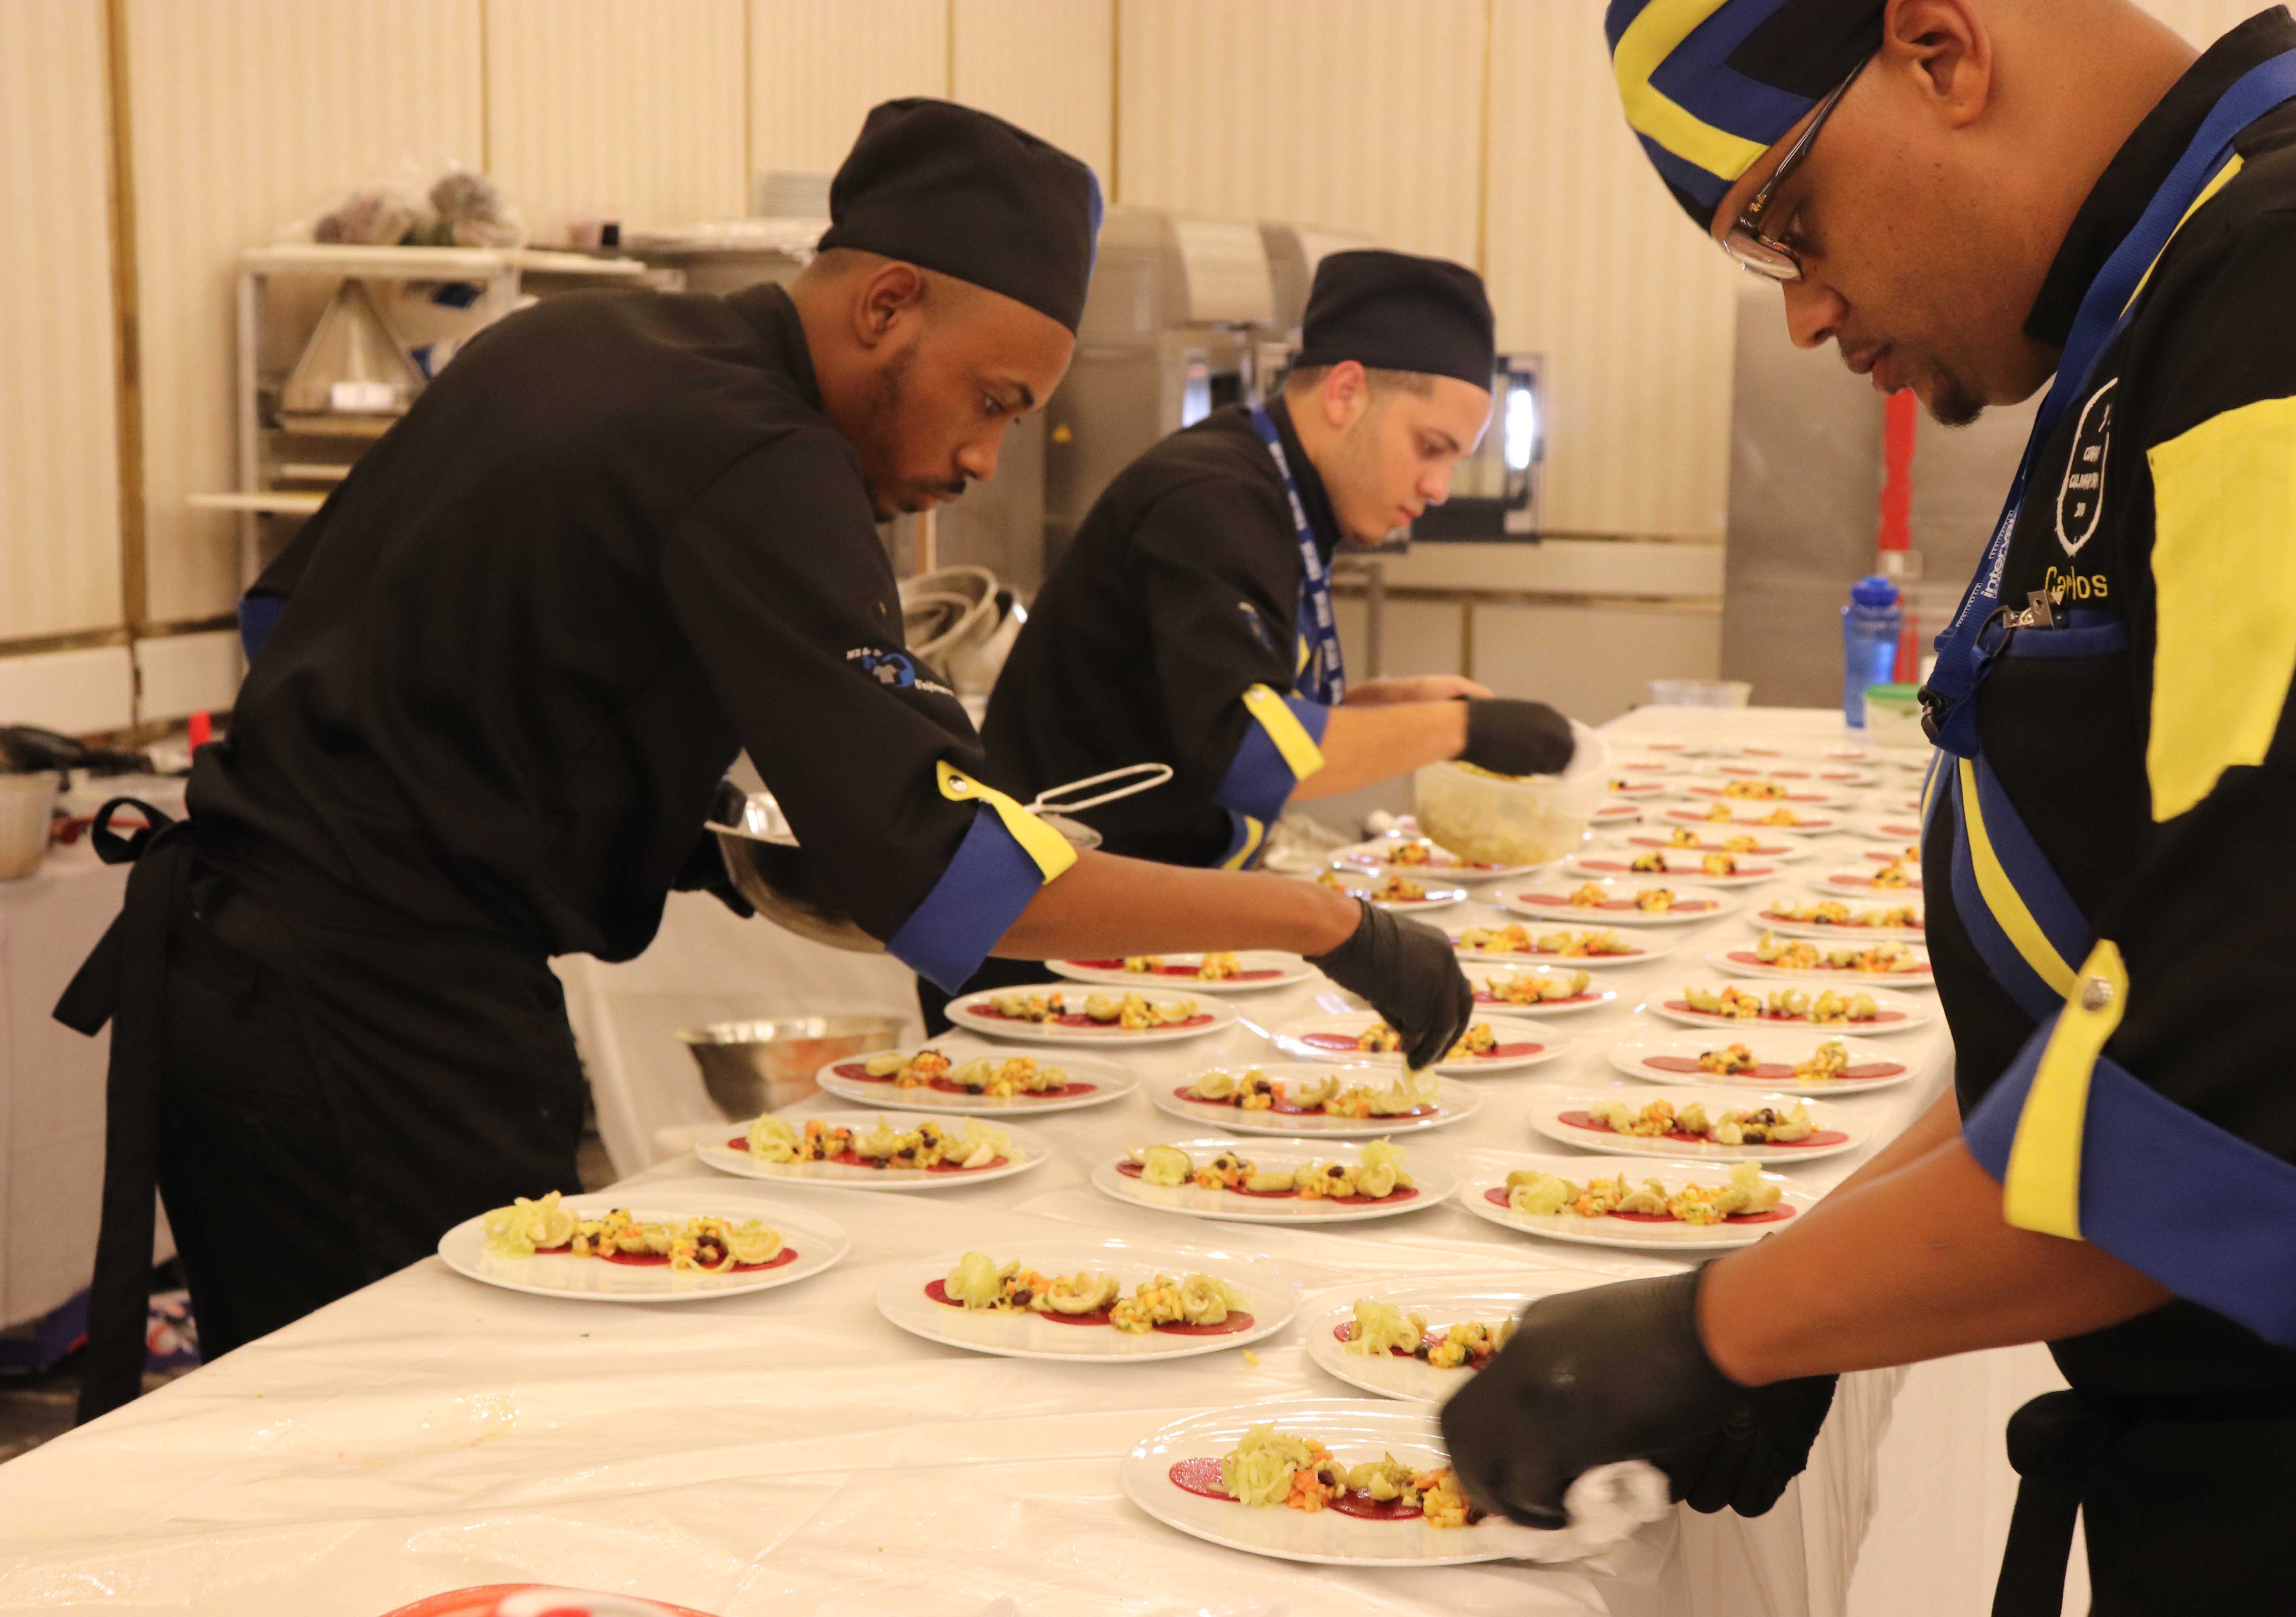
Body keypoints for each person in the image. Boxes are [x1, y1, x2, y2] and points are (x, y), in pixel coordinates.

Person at [56, 100, 1470, 1423]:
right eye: (987, 400)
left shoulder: (569, 343)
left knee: (294, 1438)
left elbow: (294, 621)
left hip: (236, 984)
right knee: (433, 1451)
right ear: (884, 307)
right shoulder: (762, 454)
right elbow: (958, 879)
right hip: (379, 1030)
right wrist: (1326, 923)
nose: (985, 459)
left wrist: (673, 812)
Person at [1444, 4, 2296, 1613]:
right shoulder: (2169, 306)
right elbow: (2110, 989)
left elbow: (2262, 1079)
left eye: (1786, 222)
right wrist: (1793, 1290)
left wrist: (1725, 1328)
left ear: (1940, 46)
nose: (1806, 316)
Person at [955, 251, 1577, 1024]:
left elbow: (1229, 706)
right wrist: (1462, 730)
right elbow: (1247, 751)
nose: (1439, 489)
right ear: (1348, 392)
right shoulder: (1215, 499)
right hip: (1047, 962)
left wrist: (1395, 705)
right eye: (1431, 447)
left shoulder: (1276, 493)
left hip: (1148, 943)